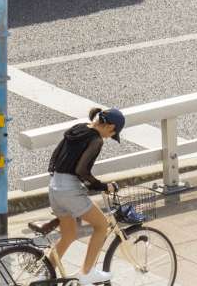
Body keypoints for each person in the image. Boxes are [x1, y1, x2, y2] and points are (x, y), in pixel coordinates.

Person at [46, 107, 125, 283]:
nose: (108, 137)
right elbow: (82, 170)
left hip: (54, 187)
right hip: (68, 191)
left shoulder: (79, 128)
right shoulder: (96, 140)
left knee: (69, 234)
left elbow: (56, 157)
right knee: (102, 225)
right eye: (112, 134)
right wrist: (103, 186)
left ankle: (45, 273)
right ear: (110, 126)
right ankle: (87, 272)